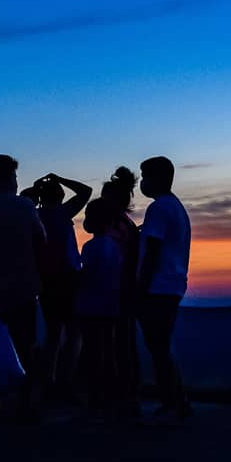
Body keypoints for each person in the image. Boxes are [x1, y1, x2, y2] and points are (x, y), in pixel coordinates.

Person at [0, 154, 47, 421]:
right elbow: (41, 241)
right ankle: (25, 406)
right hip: (23, 286)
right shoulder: (25, 207)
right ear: (8, 178)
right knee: (24, 346)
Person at [23, 173, 92, 404]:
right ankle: (65, 382)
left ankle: (49, 381)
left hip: (46, 280)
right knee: (74, 333)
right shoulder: (62, 213)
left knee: (53, 333)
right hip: (69, 278)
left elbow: (25, 199)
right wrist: (60, 178)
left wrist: (35, 190)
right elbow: (85, 191)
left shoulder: (35, 215)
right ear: (61, 196)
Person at [137, 156, 191, 420]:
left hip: (158, 286)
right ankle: (177, 401)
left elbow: (152, 251)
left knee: (158, 347)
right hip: (172, 284)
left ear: (157, 178)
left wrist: (141, 287)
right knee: (162, 345)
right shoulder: (175, 207)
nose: (142, 182)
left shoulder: (159, 208)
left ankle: (172, 404)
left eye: (144, 176)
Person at [76, 199, 124, 418]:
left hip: (91, 305)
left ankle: (95, 396)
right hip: (111, 304)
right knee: (108, 349)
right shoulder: (115, 246)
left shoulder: (91, 247)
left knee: (92, 350)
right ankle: (110, 395)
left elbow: (86, 275)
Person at [101, 166, 141, 414]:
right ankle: (127, 393)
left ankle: (123, 394)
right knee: (124, 343)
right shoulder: (126, 225)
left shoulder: (116, 227)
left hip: (117, 291)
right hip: (124, 291)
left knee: (119, 344)